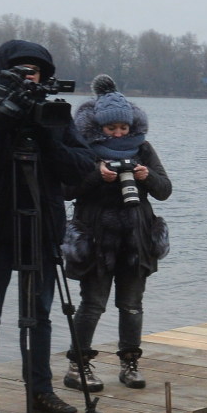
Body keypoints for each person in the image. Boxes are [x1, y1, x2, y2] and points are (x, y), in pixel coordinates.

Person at [0, 40, 95, 413]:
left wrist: (46, 133)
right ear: (4, 74)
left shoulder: (54, 114)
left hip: (41, 227)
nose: (30, 77)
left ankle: (41, 391)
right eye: (21, 70)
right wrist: (4, 118)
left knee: (40, 315)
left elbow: (81, 167)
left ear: (46, 76)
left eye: (36, 71)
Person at [61, 75, 172, 392]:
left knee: (132, 304)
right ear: (99, 127)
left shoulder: (143, 149)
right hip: (96, 238)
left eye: (124, 127)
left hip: (136, 239)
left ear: (132, 125)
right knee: (93, 304)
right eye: (112, 129)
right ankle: (78, 366)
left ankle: (130, 363)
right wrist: (97, 177)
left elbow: (165, 190)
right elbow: (67, 190)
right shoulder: (84, 149)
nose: (119, 133)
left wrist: (146, 176)